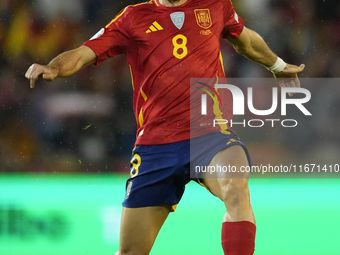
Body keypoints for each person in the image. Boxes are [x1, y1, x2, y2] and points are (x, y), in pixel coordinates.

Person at [25, 0, 305, 254]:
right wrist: (54, 67)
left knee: (236, 187)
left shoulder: (215, 5)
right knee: (131, 251)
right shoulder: (133, 18)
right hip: (155, 146)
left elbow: (246, 41)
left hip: (209, 135)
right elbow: (83, 53)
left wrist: (278, 65)